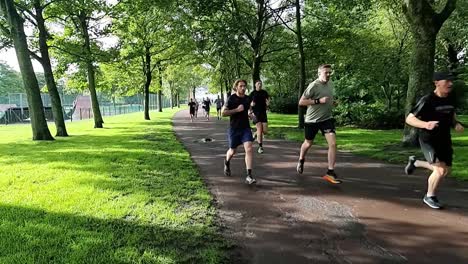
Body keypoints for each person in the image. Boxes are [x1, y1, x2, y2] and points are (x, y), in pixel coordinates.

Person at [404, 72, 464, 209]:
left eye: (451, 81)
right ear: (436, 83)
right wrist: (426, 124)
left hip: (444, 138)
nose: (450, 84)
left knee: (445, 170)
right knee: (440, 171)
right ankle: (429, 196)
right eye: (447, 81)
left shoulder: (451, 98)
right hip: (428, 139)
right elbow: (409, 119)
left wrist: (455, 124)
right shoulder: (427, 100)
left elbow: (451, 114)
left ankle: (416, 162)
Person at [296, 64, 341, 184]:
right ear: (319, 73)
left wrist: (333, 103)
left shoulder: (331, 84)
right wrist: (318, 101)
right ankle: (301, 159)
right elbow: (301, 102)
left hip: (327, 119)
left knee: (333, 143)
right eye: (326, 72)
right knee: (308, 143)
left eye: (330, 73)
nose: (328, 75)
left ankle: (330, 172)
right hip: (312, 121)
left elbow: (329, 99)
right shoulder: (313, 86)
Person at [222, 79, 256, 185]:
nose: (243, 88)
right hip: (234, 129)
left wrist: (252, 115)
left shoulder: (247, 98)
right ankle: (227, 162)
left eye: (244, 86)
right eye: (241, 86)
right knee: (232, 151)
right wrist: (236, 110)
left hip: (245, 128)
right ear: (236, 87)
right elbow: (223, 113)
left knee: (249, 149)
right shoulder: (231, 99)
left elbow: (249, 110)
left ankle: (249, 176)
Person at [249, 80, 270, 154]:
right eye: (258, 84)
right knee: (260, 130)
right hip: (256, 114)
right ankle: (260, 147)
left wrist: (268, 104)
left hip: (263, 113)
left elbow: (268, 101)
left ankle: (255, 134)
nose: (260, 85)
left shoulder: (264, 92)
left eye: (261, 84)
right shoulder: (252, 93)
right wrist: (251, 107)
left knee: (265, 131)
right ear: (255, 85)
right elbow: (248, 104)